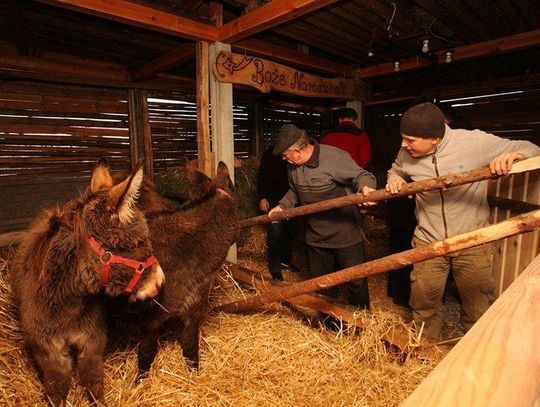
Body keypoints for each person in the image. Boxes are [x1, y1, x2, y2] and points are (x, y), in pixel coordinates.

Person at [385, 102, 540, 339]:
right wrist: (395, 179)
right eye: (403, 138)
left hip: (472, 240)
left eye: (410, 140)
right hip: (428, 240)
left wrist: (515, 155)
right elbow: (396, 170)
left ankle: (476, 351)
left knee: (477, 305)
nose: (403, 145)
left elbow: (532, 148)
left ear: (435, 139)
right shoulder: (406, 153)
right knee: (423, 303)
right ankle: (425, 349)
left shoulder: (474, 143)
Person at [268, 124, 377, 322]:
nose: (284, 159)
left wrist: (366, 188)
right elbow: (294, 191)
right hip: (315, 238)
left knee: (356, 283)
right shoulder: (293, 166)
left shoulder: (334, 158)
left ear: (299, 151)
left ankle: (363, 327)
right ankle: (330, 327)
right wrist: (282, 207)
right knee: (322, 285)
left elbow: (363, 175)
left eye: (286, 155)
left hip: (346, 234)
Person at [257, 146, 295, 280]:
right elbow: (262, 175)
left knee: (290, 231)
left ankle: (286, 261)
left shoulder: (295, 156)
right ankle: (275, 268)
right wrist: (262, 197)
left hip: (292, 199)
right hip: (274, 199)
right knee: (275, 234)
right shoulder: (270, 154)